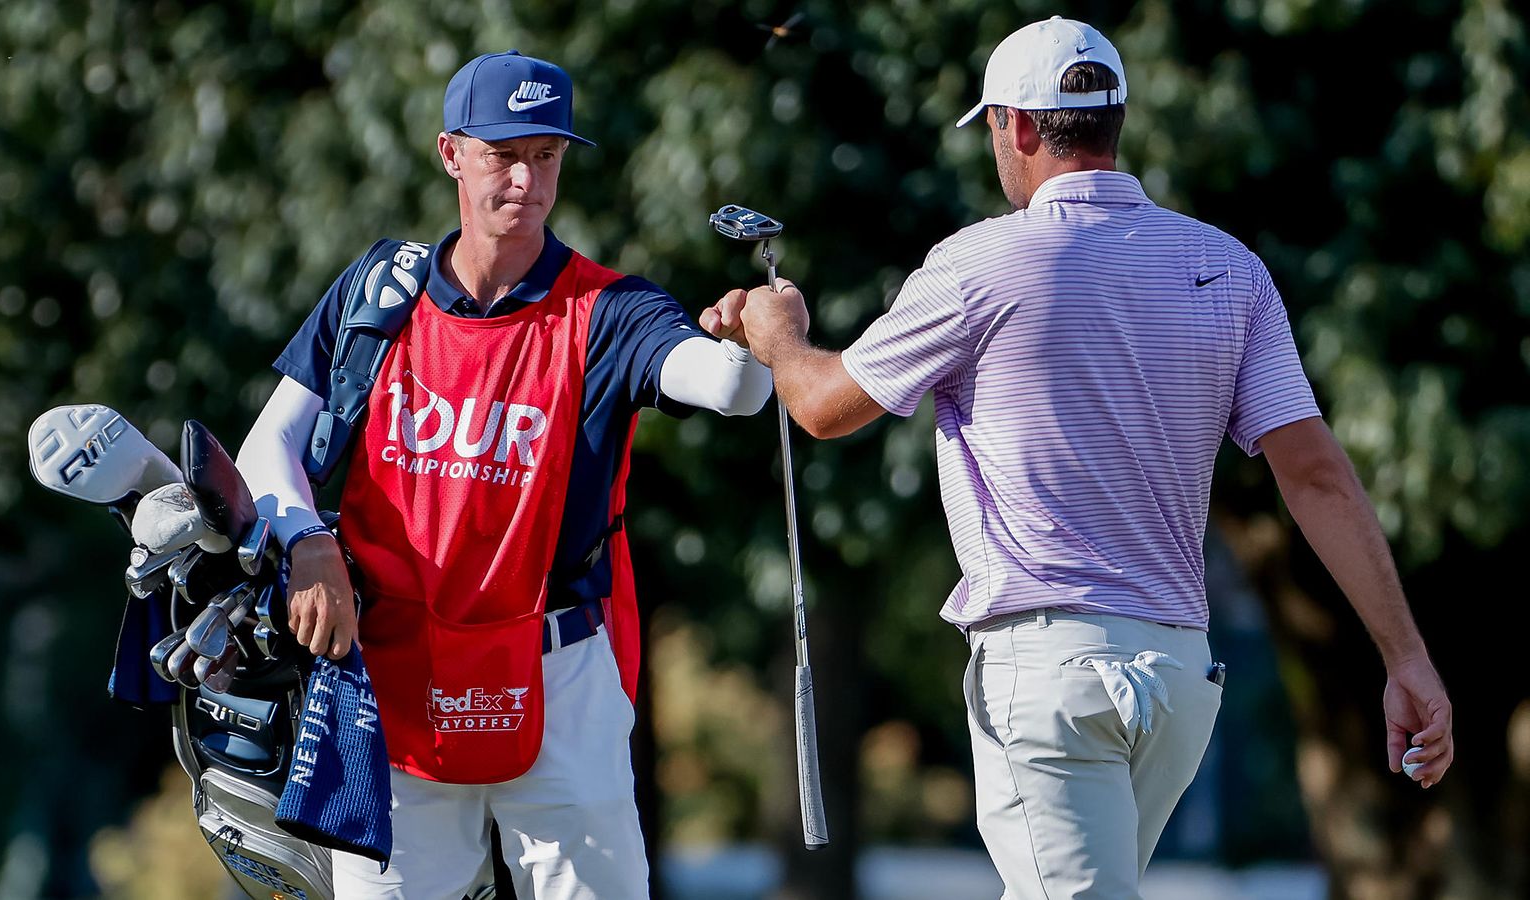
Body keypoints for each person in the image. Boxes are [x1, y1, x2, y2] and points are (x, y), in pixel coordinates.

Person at [709, 16, 1455, 898]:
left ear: (1017, 128)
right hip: (1179, 682)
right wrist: (1406, 657)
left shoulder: (977, 265)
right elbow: (1316, 475)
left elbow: (826, 408)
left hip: (1050, 682)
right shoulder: (1230, 268)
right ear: (1116, 118)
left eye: (992, 128)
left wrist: (779, 335)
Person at [236, 49, 771, 899]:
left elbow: (725, 388)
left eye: (546, 156)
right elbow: (269, 446)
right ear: (451, 154)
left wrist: (751, 337)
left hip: (562, 678)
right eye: (503, 155)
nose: (526, 180)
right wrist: (307, 542)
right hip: (395, 675)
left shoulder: (609, 309)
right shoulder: (380, 289)